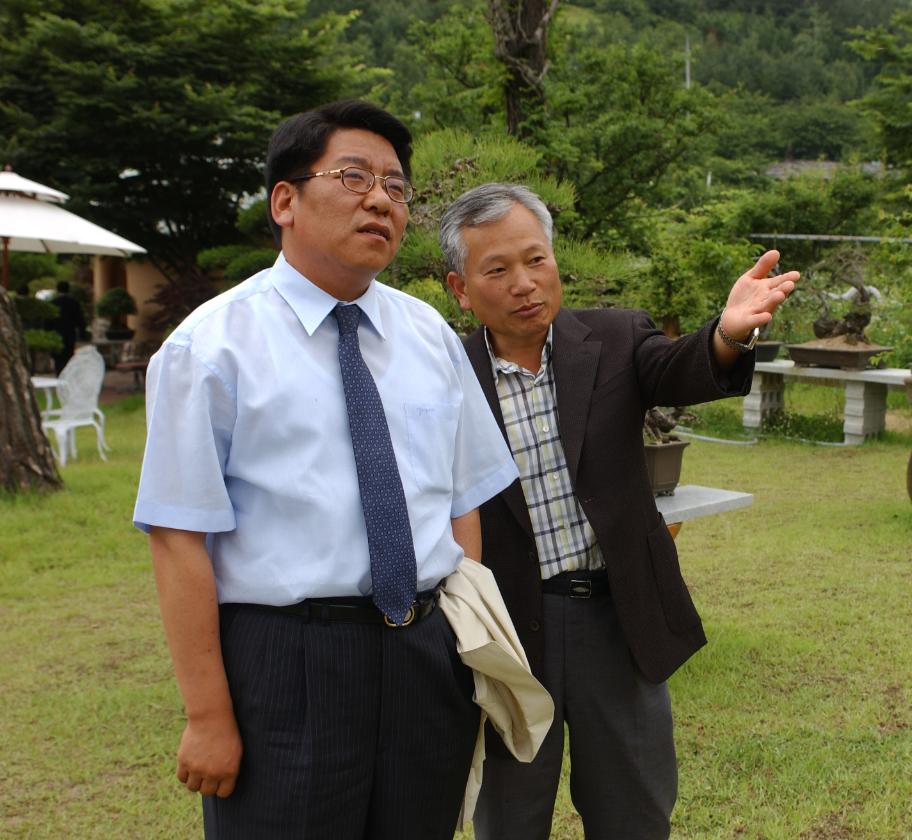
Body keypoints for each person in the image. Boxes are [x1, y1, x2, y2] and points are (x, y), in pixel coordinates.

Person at [132, 101, 519, 839]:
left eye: (397, 187)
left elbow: (462, 496)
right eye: (353, 177)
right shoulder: (210, 348)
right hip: (287, 661)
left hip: (424, 655)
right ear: (285, 200)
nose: (381, 199)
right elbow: (178, 537)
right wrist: (208, 715)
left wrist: (460, 641)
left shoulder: (427, 332)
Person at [441, 183, 798, 839]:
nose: (525, 283)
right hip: (510, 631)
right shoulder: (443, 374)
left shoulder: (611, 335)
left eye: (536, 259)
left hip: (616, 616)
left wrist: (724, 334)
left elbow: (677, 368)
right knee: (510, 818)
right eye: (497, 270)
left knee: (634, 812)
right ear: (460, 289)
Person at [50, 280, 85, 371]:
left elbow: (48, 321)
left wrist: (47, 332)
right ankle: (67, 377)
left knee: (58, 358)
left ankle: (58, 377)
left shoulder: (53, 303)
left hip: (56, 334)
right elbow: (80, 319)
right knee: (68, 356)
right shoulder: (74, 303)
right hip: (70, 333)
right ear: (68, 290)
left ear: (57, 290)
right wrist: (82, 331)